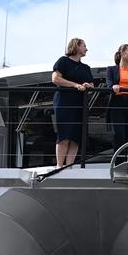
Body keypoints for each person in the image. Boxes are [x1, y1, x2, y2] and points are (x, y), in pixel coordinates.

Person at [52, 38, 94, 168]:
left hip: (79, 104)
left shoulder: (86, 67)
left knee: (76, 136)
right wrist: (75, 85)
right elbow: (55, 78)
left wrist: (88, 85)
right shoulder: (63, 61)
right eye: (84, 46)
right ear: (76, 47)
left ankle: (69, 166)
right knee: (64, 134)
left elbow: (92, 86)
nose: (86, 49)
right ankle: (59, 166)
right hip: (64, 102)